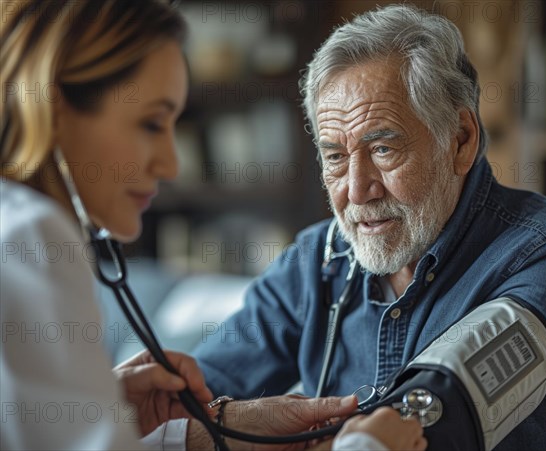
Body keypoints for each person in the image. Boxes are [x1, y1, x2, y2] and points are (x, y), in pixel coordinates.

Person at [0, 1, 428, 450]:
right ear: (55, 106)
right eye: (149, 123)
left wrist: (140, 419)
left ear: (461, 141)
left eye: (383, 149)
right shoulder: (30, 238)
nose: (169, 164)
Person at [194, 3, 546, 450]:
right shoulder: (316, 261)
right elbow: (188, 401)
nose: (356, 190)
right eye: (334, 156)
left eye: (384, 149)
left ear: (460, 140)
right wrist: (223, 419)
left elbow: (440, 411)